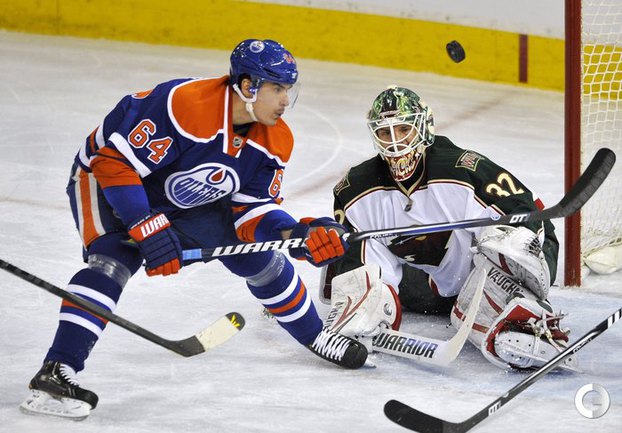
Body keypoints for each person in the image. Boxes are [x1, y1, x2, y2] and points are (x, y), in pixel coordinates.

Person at [21, 39, 368, 420]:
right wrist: (145, 224)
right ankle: (56, 370)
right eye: (277, 88)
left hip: (180, 193)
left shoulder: (275, 139)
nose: (286, 100)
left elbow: (250, 213)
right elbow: (114, 163)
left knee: (258, 258)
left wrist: (296, 234)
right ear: (248, 86)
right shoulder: (185, 106)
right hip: (106, 180)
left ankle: (315, 335)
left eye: (289, 89)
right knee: (113, 261)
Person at [321, 85, 575, 372]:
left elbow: (525, 215)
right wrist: (352, 279)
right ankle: (360, 312)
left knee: (508, 243)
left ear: (423, 128)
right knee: (362, 274)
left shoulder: (462, 170)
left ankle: (526, 317)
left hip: (496, 265)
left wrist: (526, 265)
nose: (395, 143)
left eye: (403, 129)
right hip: (431, 288)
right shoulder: (354, 190)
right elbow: (357, 252)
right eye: (385, 133)